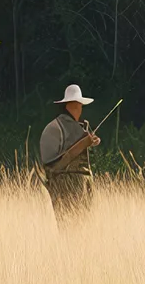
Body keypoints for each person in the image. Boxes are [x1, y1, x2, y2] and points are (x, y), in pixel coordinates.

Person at [39, 83, 100, 219]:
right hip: (69, 187)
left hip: (80, 187)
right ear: (73, 106)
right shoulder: (57, 128)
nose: (80, 109)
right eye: (79, 105)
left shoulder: (64, 126)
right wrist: (85, 143)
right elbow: (57, 164)